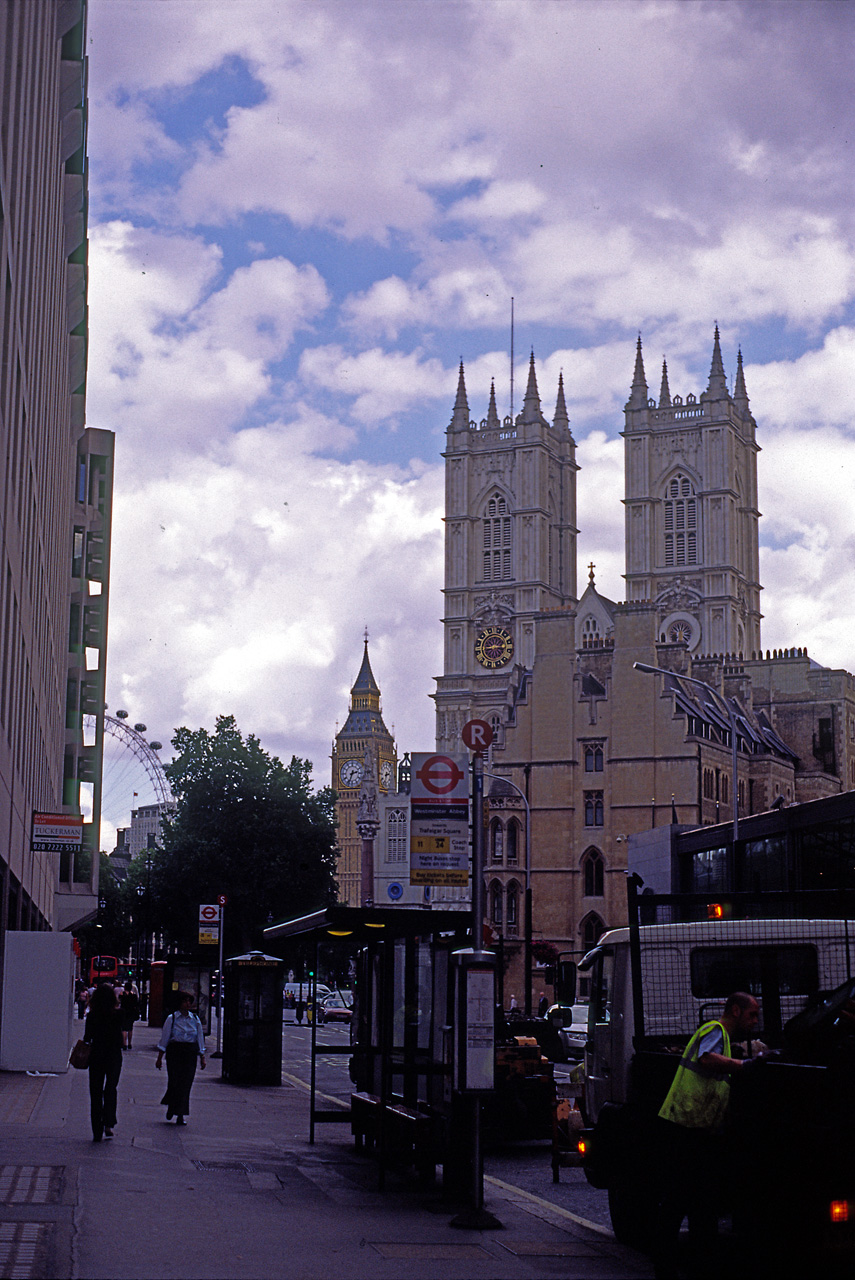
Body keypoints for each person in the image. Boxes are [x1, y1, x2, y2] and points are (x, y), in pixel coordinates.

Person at [653, 991, 762, 1280]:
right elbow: (707, 1059)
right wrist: (745, 1066)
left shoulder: (723, 1037)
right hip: (686, 1127)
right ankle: (666, 1267)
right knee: (681, 1200)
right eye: (752, 1014)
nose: (755, 1020)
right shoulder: (715, 1031)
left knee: (698, 1201)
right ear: (736, 1011)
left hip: (695, 1128)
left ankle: (691, 1265)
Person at [156, 991, 206, 1125]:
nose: (188, 1004)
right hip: (175, 1052)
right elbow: (165, 1038)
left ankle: (180, 1114)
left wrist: (202, 1056)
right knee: (174, 1081)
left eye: (189, 1001)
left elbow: (199, 1038)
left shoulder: (195, 1019)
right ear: (179, 1003)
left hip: (189, 1052)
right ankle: (172, 1107)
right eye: (185, 1001)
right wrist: (160, 1057)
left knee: (186, 1084)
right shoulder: (171, 1019)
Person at [83, 982, 124, 1142]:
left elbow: (87, 1037)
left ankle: (96, 1130)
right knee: (111, 1089)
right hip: (113, 1055)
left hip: (97, 1056)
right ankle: (108, 1123)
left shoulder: (92, 1016)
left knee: (95, 1091)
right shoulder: (119, 1014)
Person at [119, 981, 140, 1050]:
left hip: (124, 1012)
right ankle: (129, 1043)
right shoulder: (133, 995)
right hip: (131, 1013)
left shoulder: (122, 994)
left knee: (124, 1029)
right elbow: (136, 1004)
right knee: (130, 1028)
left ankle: (124, 1043)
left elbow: (119, 1002)